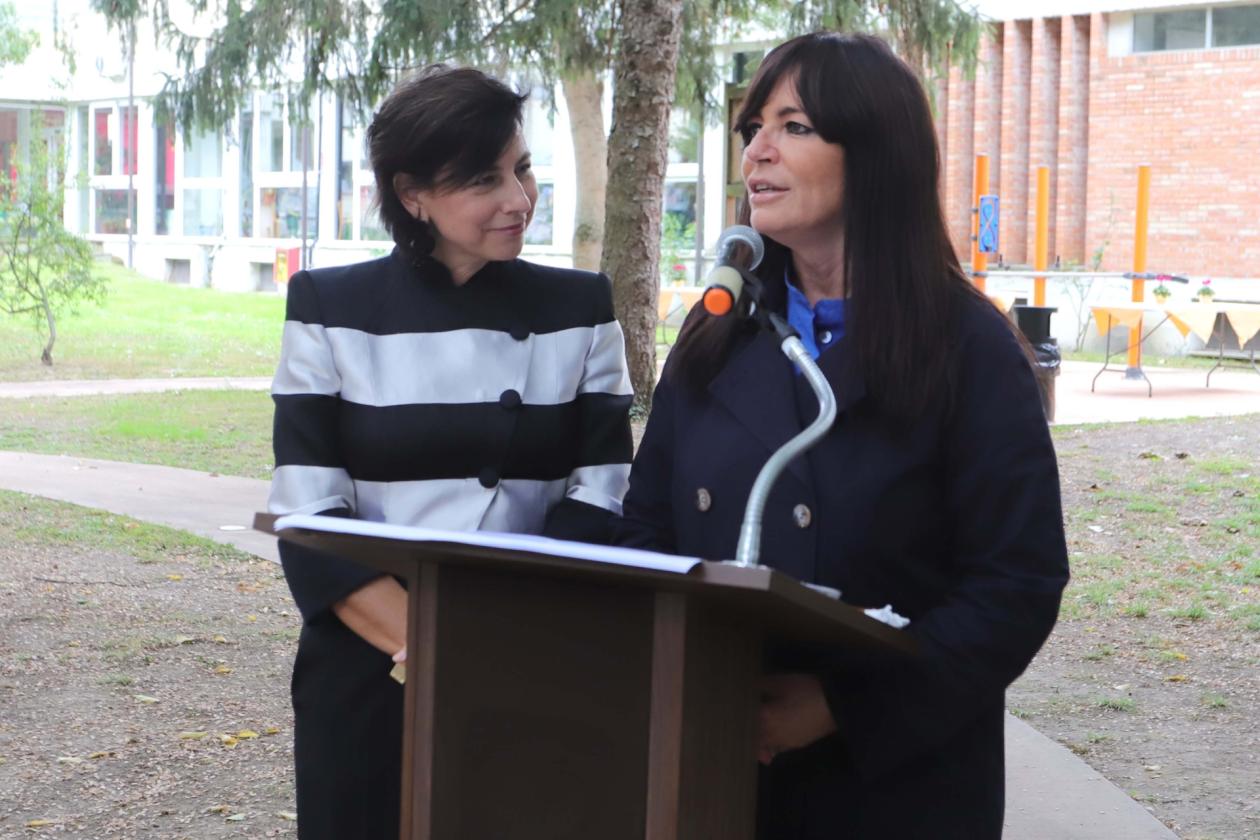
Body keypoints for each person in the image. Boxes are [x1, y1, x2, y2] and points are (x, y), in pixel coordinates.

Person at [616, 33, 1069, 838]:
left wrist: (841, 705)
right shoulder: (720, 327)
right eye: (753, 127)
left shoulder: (970, 347)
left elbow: (1017, 584)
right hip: (717, 760)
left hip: (894, 782)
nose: (756, 151)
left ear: (876, 155)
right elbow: (648, 526)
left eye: (794, 127)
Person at [268, 65, 633, 839]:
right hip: (372, 673)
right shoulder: (330, 308)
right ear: (412, 195)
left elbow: (602, 497)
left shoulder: (581, 308)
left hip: (536, 658)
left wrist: (503, 646)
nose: (520, 199)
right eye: (483, 179)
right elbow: (309, 519)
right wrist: (438, 649)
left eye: (522, 169)